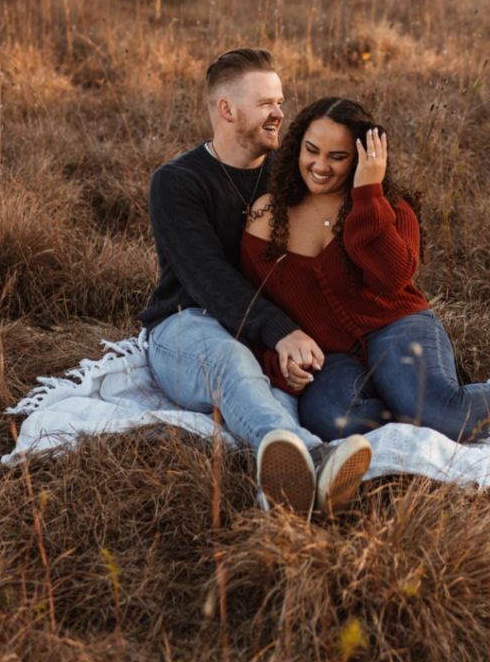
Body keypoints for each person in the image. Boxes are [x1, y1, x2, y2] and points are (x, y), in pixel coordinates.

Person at [241, 97, 490, 452]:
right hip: (331, 357)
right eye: (311, 150)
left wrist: (368, 195)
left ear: (361, 159)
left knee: (440, 414)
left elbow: (392, 279)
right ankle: (429, 405)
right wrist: (277, 363)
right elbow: (252, 306)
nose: (320, 166)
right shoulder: (267, 217)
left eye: (337, 156)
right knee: (332, 421)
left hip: (396, 327)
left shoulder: (389, 207)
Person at [139, 50, 373, 519]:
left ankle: (282, 493)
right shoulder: (177, 182)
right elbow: (208, 278)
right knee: (232, 362)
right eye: (266, 103)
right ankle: (316, 457)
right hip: (186, 324)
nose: (280, 113)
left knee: (281, 392)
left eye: (280, 101)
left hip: (262, 333)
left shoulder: (289, 175)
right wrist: (281, 330)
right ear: (227, 110)